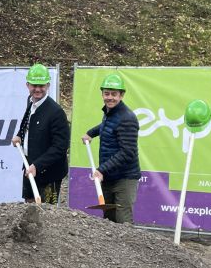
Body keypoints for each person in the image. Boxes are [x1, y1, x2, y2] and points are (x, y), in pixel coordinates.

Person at [81, 73, 141, 223]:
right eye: (106, 94)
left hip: (124, 179)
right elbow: (108, 127)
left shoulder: (127, 118)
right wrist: (91, 133)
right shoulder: (110, 113)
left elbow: (127, 152)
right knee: (109, 221)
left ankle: (127, 247)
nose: (110, 97)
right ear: (102, 94)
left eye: (114, 94)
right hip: (109, 177)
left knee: (123, 223)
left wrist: (101, 170)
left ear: (121, 95)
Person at [11, 63, 70, 204]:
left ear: (48, 85)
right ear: (27, 85)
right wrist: (20, 135)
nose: (38, 89)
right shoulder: (31, 102)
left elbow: (60, 147)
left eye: (41, 86)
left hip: (49, 174)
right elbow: (27, 123)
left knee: (46, 216)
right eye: (34, 85)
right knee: (29, 208)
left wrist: (37, 165)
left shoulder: (56, 112)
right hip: (29, 167)